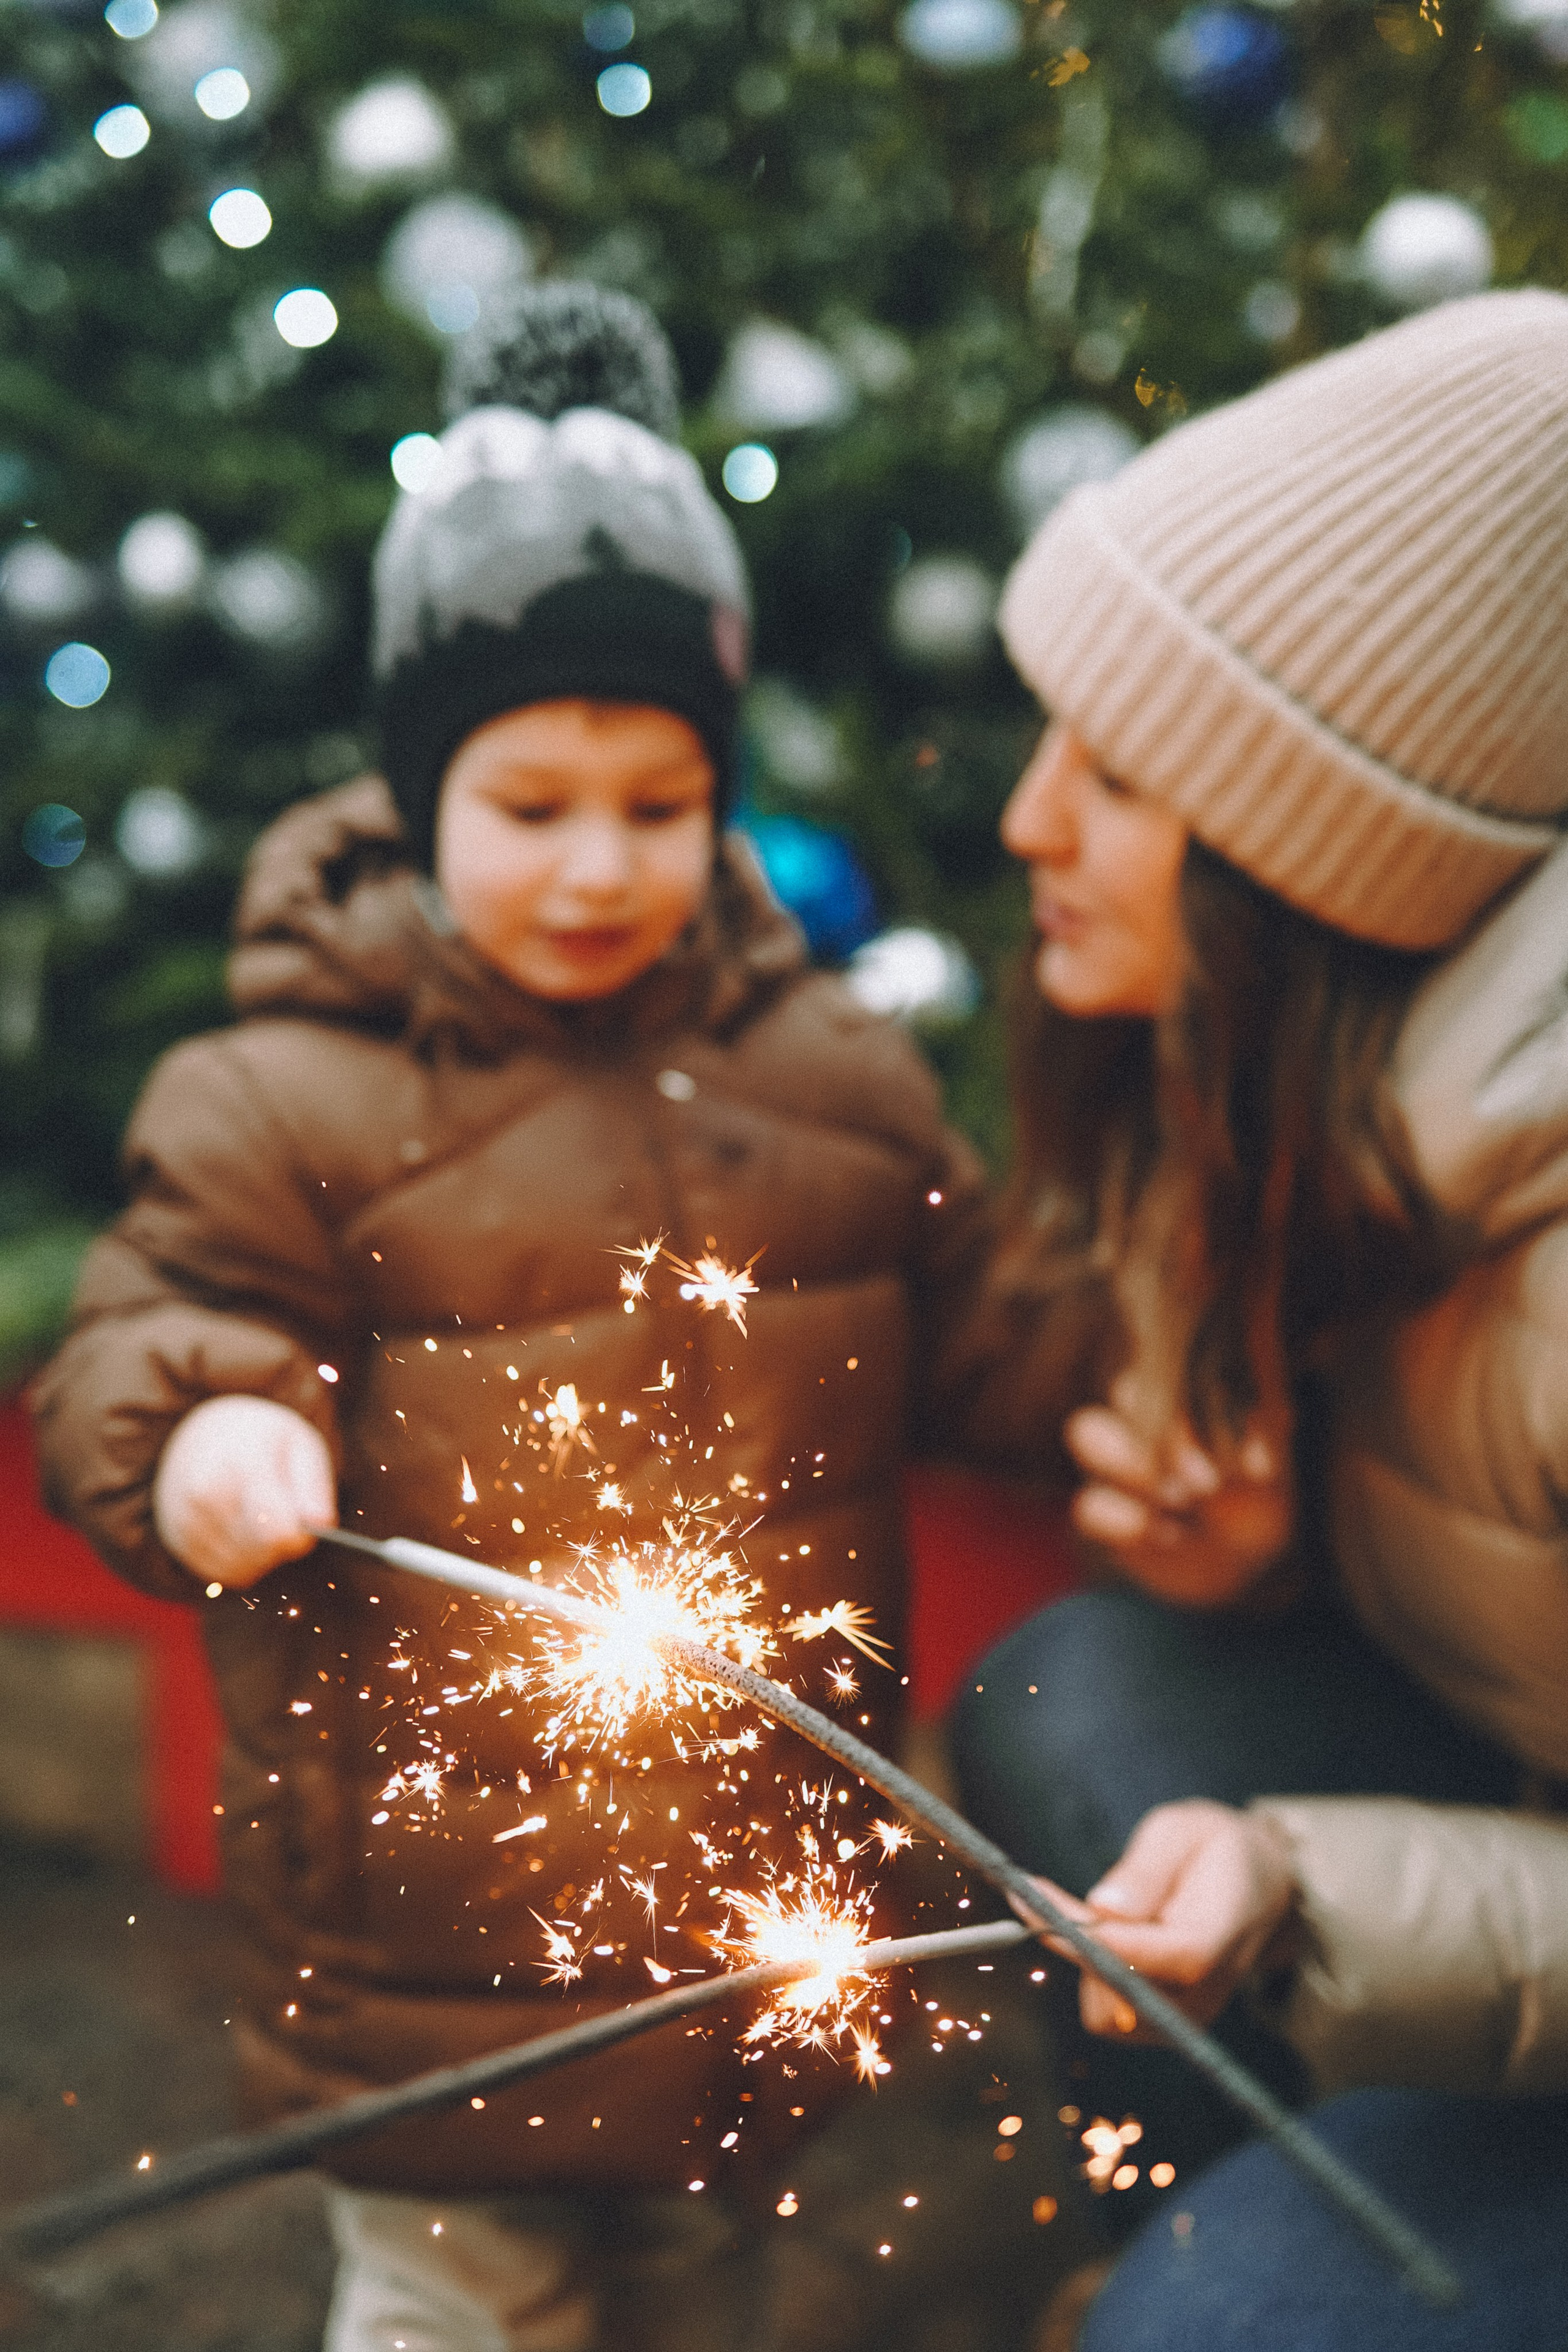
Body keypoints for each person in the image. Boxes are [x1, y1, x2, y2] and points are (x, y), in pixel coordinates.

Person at [32, 284, 985, 2352]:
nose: (597, 864)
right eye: (530, 804)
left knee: (699, 2302)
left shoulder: (833, 1076)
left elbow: (982, 1308)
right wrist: (198, 1429)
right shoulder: (286, 1094)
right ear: (414, 784)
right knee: (460, 2314)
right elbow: (147, 1326)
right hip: (424, 1959)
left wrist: (1158, 1396)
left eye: (659, 804)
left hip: (738, 1920)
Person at [948, 288, 1568, 2346]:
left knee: (1210, 2336)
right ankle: (1226, 2225)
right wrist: (1275, 1561)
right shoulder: (1262, 1075)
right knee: (1079, 1699)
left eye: (1117, 781)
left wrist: (1307, 1876)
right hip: (1501, 1839)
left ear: (1318, 863)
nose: (1030, 824)